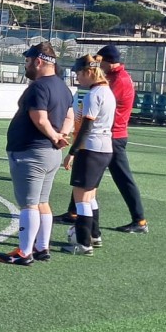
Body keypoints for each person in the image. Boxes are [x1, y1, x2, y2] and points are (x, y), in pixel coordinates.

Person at [56, 44, 147, 234]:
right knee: (87, 178)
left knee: (122, 178)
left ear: (107, 61)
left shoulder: (118, 81)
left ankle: (139, 220)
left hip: (112, 135)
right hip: (107, 134)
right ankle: (75, 213)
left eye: (99, 61)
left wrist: (74, 146)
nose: (97, 65)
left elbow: (100, 107)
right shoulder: (112, 79)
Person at [0, 42, 73, 266]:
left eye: (28, 62)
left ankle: (24, 252)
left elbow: (39, 118)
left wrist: (53, 136)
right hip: (49, 154)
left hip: (32, 152)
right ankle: (42, 247)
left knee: (29, 204)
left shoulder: (38, 87)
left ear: (38, 62)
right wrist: (61, 135)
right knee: (42, 202)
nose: (26, 66)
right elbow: (69, 116)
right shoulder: (63, 87)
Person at [61, 54, 116, 256]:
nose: (78, 77)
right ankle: (94, 233)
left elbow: (86, 127)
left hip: (90, 148)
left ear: (89, 72)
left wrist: (72, 152)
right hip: (105, 148)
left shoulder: (94, 95)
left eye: (79, 73)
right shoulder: (107, 92)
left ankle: (83, 242)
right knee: (91, 194)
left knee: (81, 197)